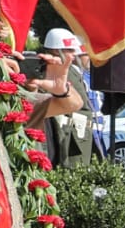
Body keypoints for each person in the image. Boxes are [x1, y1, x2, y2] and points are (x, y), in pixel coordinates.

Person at [33, 30, 94, 171]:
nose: (74, 54)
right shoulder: (52, 69)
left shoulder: (72, 69)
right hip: (62, 132)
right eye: (69, 50)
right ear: (56, 50)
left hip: (75, 132)